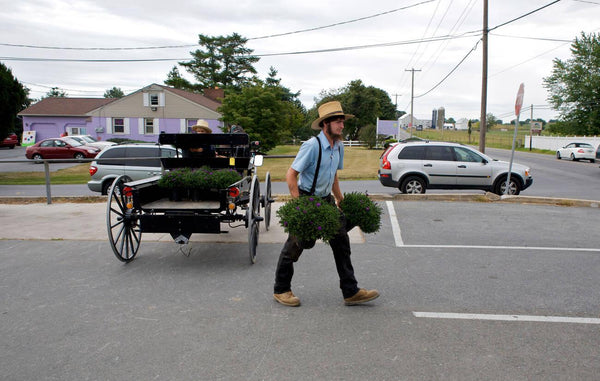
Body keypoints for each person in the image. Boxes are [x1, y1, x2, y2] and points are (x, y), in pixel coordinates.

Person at [273, 101, 380, 307]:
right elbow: (291, 175)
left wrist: (340, 199)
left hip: (326, 201)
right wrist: (300, 206)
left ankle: (351, 291)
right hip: (306, 199)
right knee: (295, 246)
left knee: (341, 243)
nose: (342, 126)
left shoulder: (338, 146)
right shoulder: (312, 146)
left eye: (342, 122)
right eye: (338, 122)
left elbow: (333, 176)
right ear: (326, 124)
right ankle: (281, 289)